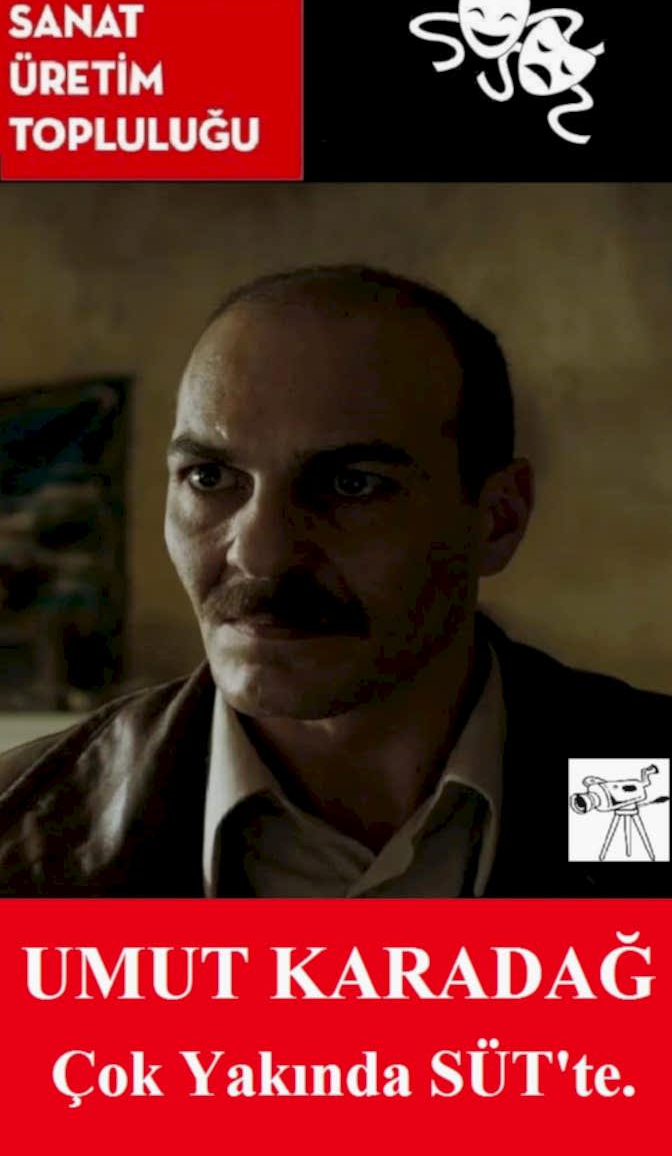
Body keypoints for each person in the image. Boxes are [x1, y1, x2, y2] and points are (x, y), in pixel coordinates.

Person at [1, 265, 669, 897]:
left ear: (497, 520)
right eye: (210, 478)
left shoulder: (640, 781)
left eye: (352, 485)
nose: (261, 555)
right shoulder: (25, 833)